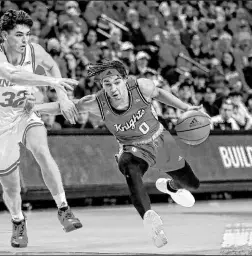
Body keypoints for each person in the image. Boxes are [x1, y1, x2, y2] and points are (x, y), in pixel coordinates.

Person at [33, 60, 203, 248]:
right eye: (107, 84)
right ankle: (150, 221)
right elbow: (65, 107)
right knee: (129, 166)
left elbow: (159, 93)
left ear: (124, 80)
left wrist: (185, 107)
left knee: (192, 184)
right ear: (102, 86)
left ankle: (171, 187)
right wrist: (36, 108)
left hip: (160, 139)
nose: (113, 88)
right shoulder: (97, 103)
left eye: (116, 82)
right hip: (134, 148)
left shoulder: (142, 87)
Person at [0, 10, 82, 248]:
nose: (24, 40)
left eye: (27, 34)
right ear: (4, 35)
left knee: (41, 151)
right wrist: (52, 82)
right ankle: (18, 221)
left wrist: (63, 96)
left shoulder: (34, 51)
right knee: (11, 186)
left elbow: (52, 65)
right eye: (18, 35)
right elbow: (14, 75)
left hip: (25, 115)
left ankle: (64, 209)